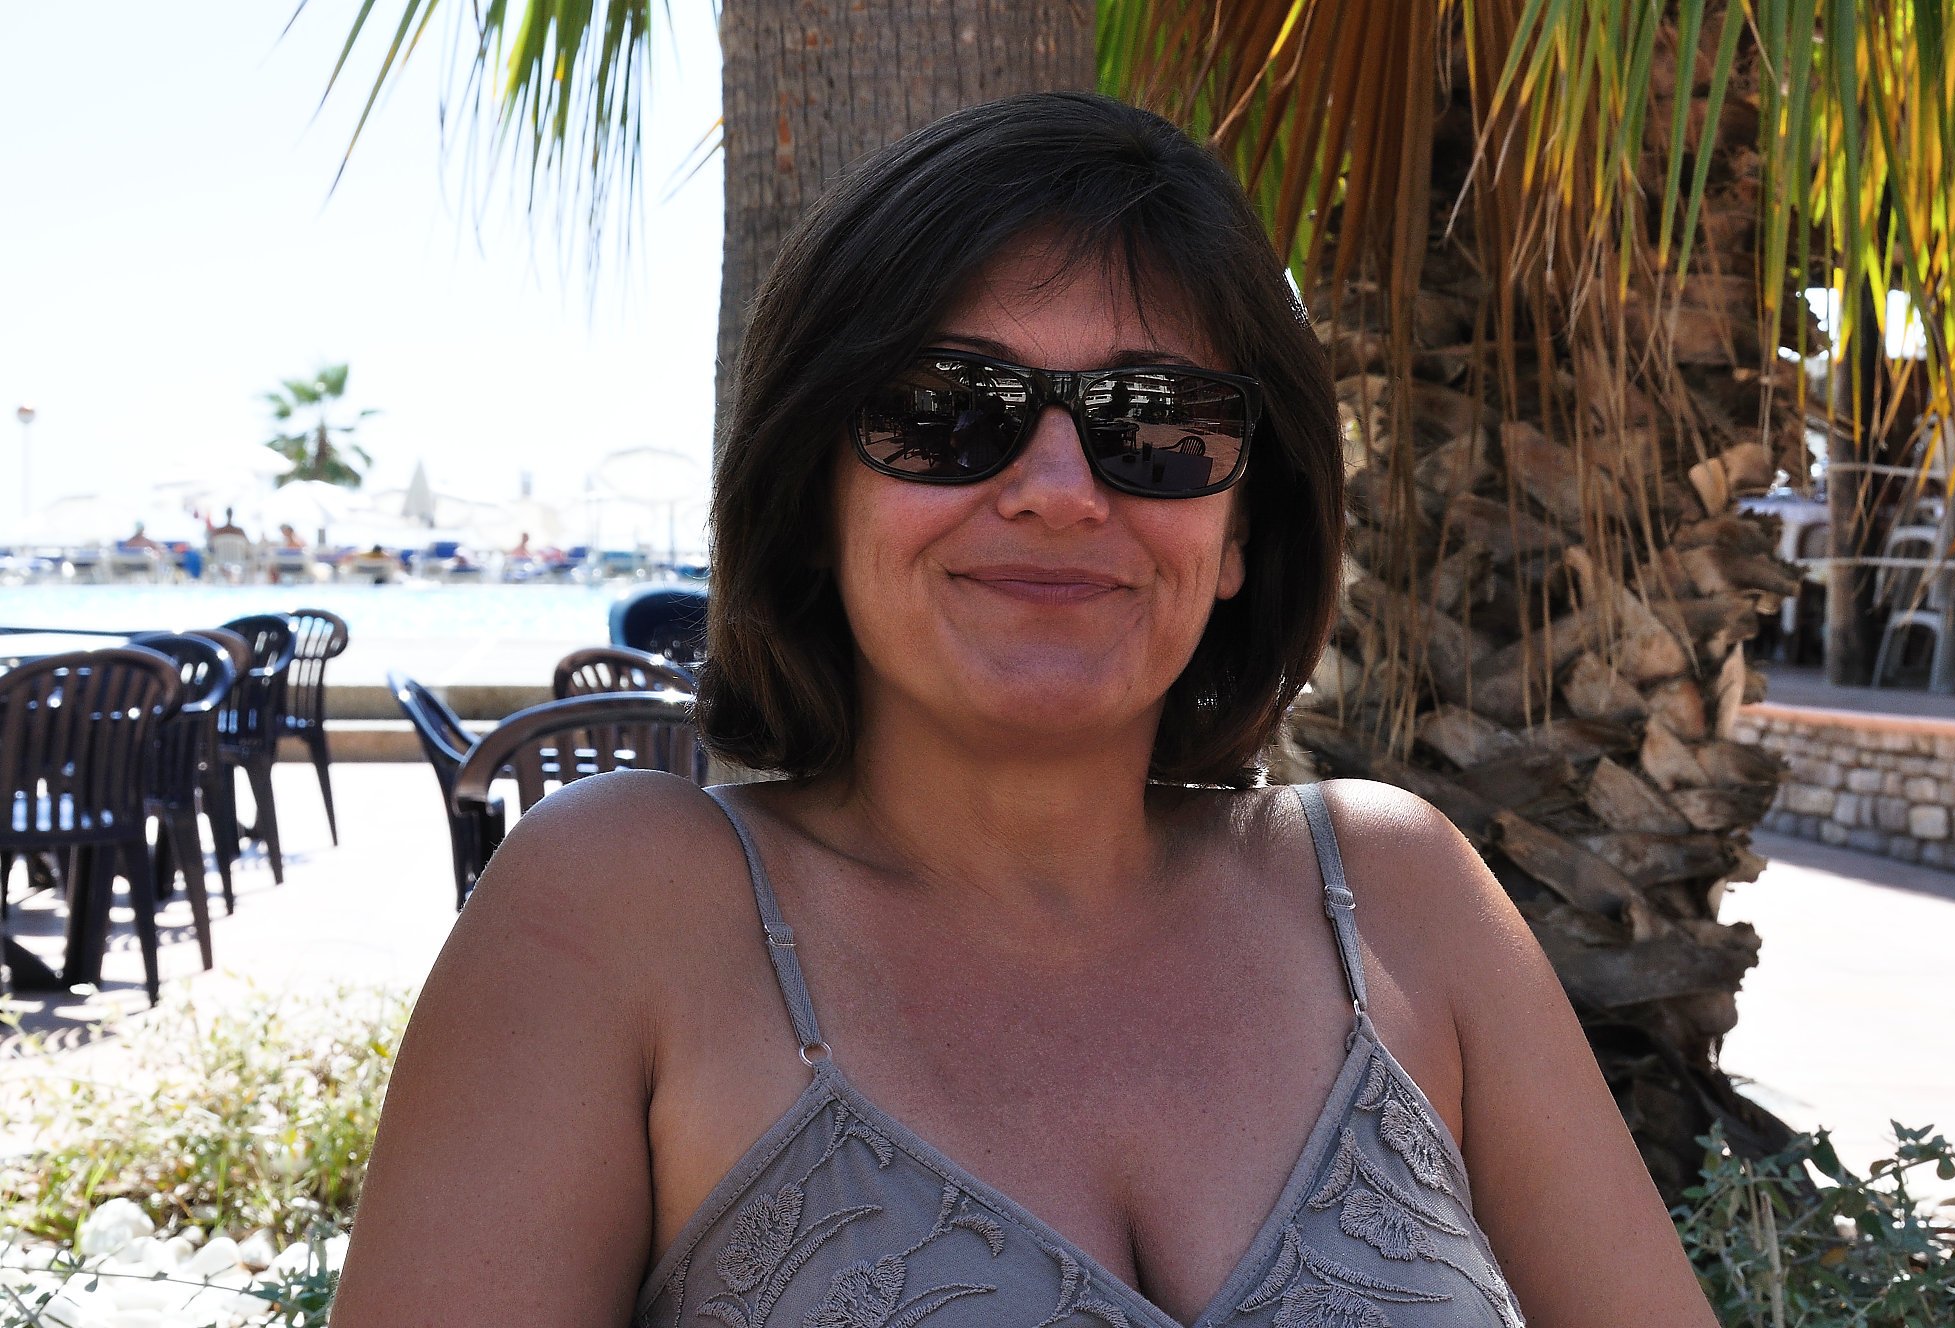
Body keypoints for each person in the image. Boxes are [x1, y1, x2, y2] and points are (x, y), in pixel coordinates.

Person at [331, 94, 1717, 1328]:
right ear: (812, 495)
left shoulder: (1398, 894)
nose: (1060, 489)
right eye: (946, 409)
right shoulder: (622, 909)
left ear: (1242, 529)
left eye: (1155, 422)